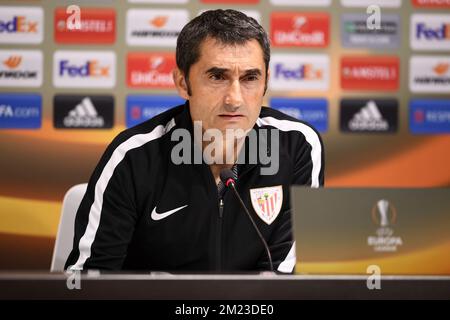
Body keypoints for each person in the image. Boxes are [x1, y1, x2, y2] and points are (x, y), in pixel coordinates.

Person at [65, 9, 324, 273]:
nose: (235, 99)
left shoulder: (297, 146)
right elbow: (89, 281)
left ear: (266, 82)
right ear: (182, 83)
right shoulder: (132, 157)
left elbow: (283, 280)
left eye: (250, 78)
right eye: (217, 77)